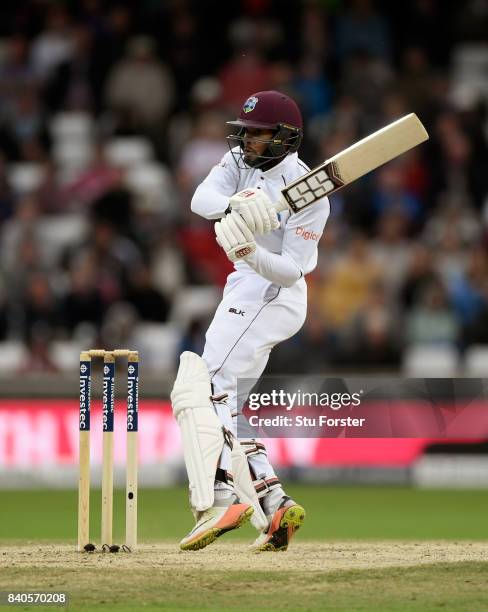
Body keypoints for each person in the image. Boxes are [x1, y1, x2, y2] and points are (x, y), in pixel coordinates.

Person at [171, 90, 330, 552]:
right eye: (244, 133)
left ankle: (221, 497)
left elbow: (294, 269)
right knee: (230, 404)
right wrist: (236, 206)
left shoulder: (311, 193)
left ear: (284, 138)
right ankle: (274, 504)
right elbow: (202, 198)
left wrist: (251, 254)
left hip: (272, 291)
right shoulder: (241, 163)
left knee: (206, 383)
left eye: (258, 134)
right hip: (245, 288)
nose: (247, 142)